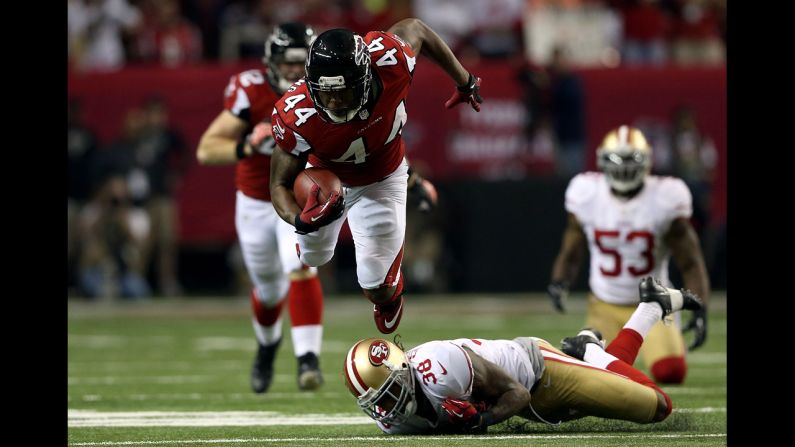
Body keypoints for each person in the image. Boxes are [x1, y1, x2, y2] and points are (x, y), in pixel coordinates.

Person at [269, 18, 481, 335]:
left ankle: (389, 294)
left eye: (344, 91)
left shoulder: (389, 59)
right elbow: (278, 184)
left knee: (376, 285)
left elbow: (417, 28)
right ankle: (408, 184)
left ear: (365, 77)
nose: (336, 102)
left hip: (382, 175)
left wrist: (464, 81)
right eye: (327, 94)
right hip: (327, 183)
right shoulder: (296, 114)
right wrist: (299, 220)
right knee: (313, 258)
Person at [343, 277, 703, 434]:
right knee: (616, 382)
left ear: (405, 369)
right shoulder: (389, 418)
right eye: (377, 399)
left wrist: (479, 423)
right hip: (530, 404)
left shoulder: (442, 365)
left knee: (657, 406)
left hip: (539, 371)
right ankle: (648, 306)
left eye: (390, 391)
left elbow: (517, 392)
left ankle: (590, 347)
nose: (387, 407)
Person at [196, 23, 326, 393]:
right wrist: (248, 147)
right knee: (269, 291)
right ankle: (267, 348)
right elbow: (206, 149)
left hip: (295, 195)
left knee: (300, 267)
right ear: (271, 61)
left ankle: (307, 361)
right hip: (254, 202)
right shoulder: (250, 89)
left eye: (302, 62)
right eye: (288, 62)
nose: (294, 70)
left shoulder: (324, 90)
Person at [546, 125, 709, 384]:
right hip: (605, 303)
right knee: (601, 377)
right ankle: (591, 343)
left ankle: (592, 346)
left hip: (656, 304)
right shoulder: (587, 193)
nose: (623, 170)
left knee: (671, 372)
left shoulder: (665, 197)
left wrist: (700, 308)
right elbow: (572, 245)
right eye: (616, 163)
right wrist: (560, 279)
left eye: (630, 163)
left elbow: (690, 261)